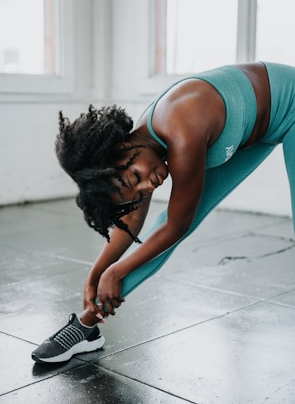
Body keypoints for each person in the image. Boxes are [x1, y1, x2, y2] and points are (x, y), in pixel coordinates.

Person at [31, 61, 295, 364]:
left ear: (123, 145)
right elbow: (133, 221)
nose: (149, 184)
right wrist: (98, 272)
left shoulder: (181, 125)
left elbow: (177, 224)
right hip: (255, 132)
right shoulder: (141, 149)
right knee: (157, 237)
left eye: (135, 178)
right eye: (139, 190)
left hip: (290, 107)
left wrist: (118, 271)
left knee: (172, 226)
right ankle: (86, 326)